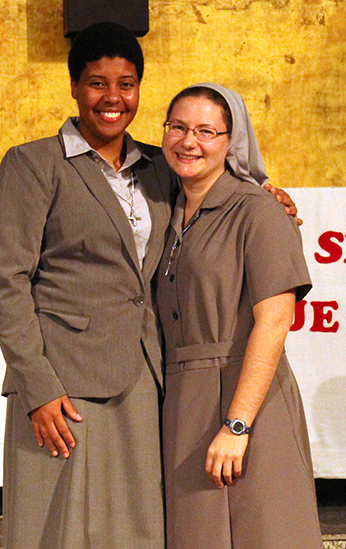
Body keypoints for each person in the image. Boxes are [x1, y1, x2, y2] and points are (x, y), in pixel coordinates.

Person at [0, 22, 300, 548]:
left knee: (136, 530)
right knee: (59, 530)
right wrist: (37, 387)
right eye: (97, 83)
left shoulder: (159, 165)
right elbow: (8, 282)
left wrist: (268, 192)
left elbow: (217, 175)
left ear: (139, 88)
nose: (113, 98)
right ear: (73, 86)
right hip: (63, 383)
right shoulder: (32, 164)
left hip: (148, 379)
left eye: (126, 83)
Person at [156, 83, 323, 548]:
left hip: (249, 403)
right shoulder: (163, 210)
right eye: (178, 127)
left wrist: (237, 425)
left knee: (264, 533)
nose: (189, 142)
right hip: (183, 406)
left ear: (232, 141)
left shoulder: (258, 210)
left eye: (207, 131)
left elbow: (274, 321)